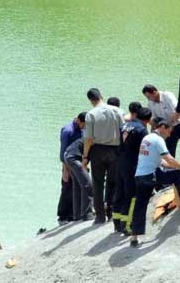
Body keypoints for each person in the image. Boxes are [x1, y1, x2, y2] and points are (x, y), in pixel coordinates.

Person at [130, 120, 180, 247]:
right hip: (151, 175)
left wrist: (176, 166)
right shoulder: (158, 140)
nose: (169, 135)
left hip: (140, 175)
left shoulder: (147, 138)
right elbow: (168, 158)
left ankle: (134, 237)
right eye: (169, 131)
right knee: (179, 175)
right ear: (163, 127)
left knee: (140, 205)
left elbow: (162, 162)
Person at [82, 88, 124, 224]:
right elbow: (124, 132)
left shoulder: (91, 114)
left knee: (98, 183)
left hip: (98, 150)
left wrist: (85, 157)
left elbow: (88, 139)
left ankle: (100, 216)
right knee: (113, 182)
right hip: (115, 150)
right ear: (101, 96)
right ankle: (111, 212)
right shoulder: (118, 111)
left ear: (90, 100)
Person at [112, 107, 152, 235]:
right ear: (147, 120)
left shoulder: (124, 126)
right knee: (131, 194)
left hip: (120, 162)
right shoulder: (142, 130)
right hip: (133, 164)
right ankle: (127, 225)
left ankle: (117, 223)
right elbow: (145, 148)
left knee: (119, 191)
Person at [58, 112, 86, 225]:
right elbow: (62, 151)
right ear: (79, 121)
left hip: (78, 161)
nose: (85, 127)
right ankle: (63, 216)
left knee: (78, 187)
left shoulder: (83, 129)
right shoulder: (67, 131)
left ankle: (74, 214)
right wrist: (65, 169)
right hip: (67, 162)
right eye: (84, 124)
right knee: (67, 187)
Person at [142, 84, 180, 157]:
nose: (148, 99)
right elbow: (154, 121)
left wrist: (171, 126)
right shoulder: (150, 103)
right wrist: (153, 135)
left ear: (154, 92)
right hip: (167, 129)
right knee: (168, 151)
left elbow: (177, 111)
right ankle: (171, 167)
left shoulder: (168, 96)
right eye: (147, 97)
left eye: (149, 96)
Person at [64, 138, 94, 221]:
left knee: (77, 185)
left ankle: (77, 215)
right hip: (73, 158)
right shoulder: (92, 140)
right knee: (88, 185)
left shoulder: (89, 137)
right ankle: (87, 214)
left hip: (68, 156)